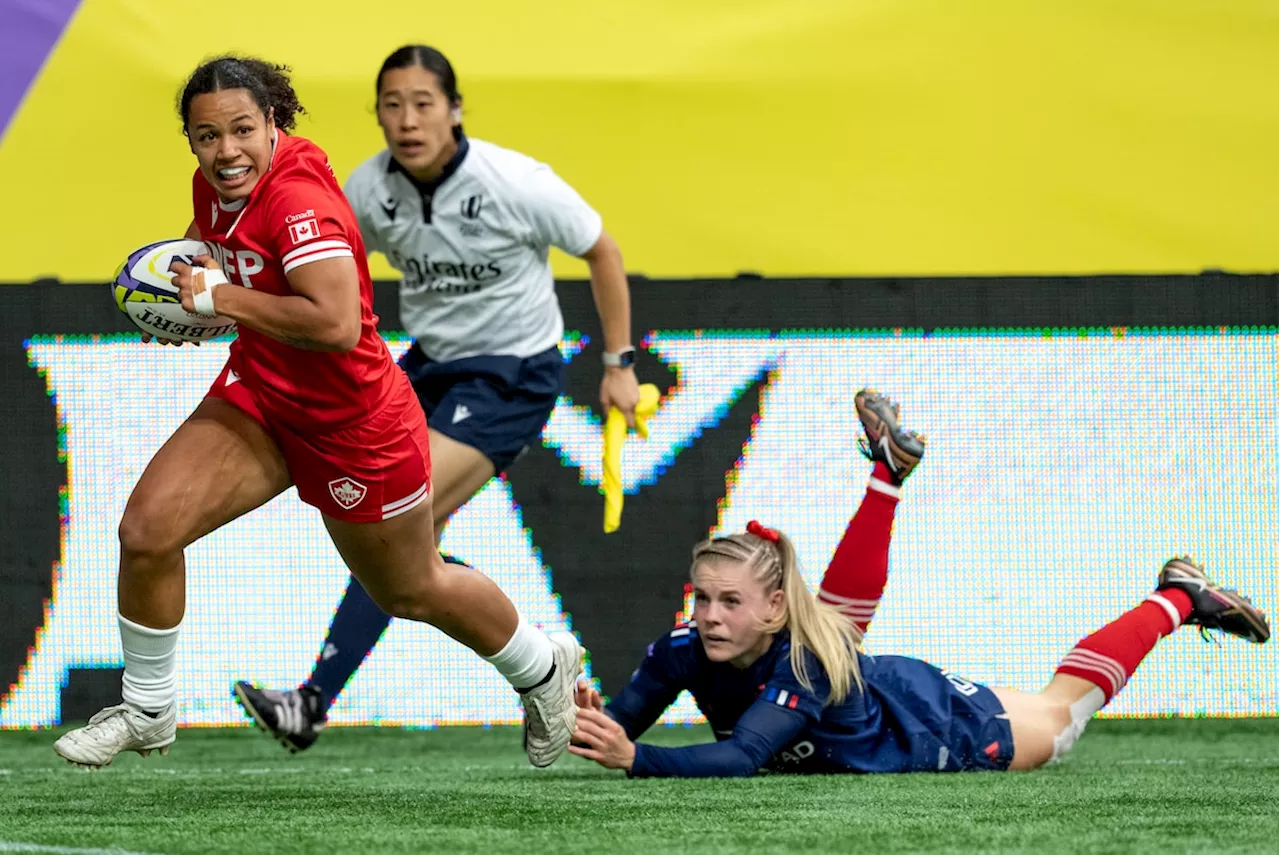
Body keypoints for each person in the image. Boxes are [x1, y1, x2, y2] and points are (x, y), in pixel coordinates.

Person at [52, 55, 582, 770]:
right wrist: (184, 295)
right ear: (190, 140)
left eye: (242, 129)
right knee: (146, 530)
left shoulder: (299, 198)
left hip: (353, 422)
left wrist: (220, 300)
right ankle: (148, 707)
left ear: (273, 123)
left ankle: (542, 667)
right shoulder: (216, 187)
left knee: (409, 585)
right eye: (207, 136)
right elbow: (219, 261)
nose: (226, 150)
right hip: (262, 393)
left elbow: (332, 323)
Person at [230, 44, 639, 752]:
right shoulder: (365, 190)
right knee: (392, 555)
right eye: (392, 105)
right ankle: (322, 700)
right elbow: (324, 274)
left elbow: (601, 249)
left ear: (453, 110)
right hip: (424, 366)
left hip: (511, 374)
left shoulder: (513, 180)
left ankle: (534, 659)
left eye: (424, 103)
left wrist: (618, 362)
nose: (408, 120)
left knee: (405, 526)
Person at [568, 390, 1271, 776]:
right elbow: (615, 728)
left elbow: (746, 754)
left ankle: (1178, 597)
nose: (709, 615)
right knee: (834, 633)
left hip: (934, 720)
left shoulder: (802, 660)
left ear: (773, 605)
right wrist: (585, 719)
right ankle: (886, 475)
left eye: (728, 600)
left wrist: (639, 761)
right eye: (701, 598)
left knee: (1061, 721)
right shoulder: (684, 649)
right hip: (865, 678)